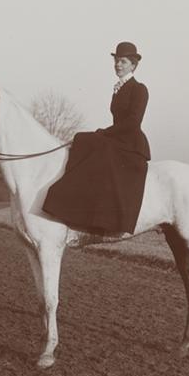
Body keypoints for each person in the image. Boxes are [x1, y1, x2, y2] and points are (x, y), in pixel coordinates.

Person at [42, 41, 150, 234]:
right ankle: (72, 203)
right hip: (117, 139)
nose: (118, 65)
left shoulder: (139, 88)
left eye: (123, 62)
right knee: (81, 139)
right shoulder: (118, 88)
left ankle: (94, 215)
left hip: (131, 143)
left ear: (133, 65)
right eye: (116, 61)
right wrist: (105, 133)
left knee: (89, 141)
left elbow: (133, 122)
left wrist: (105, 132)